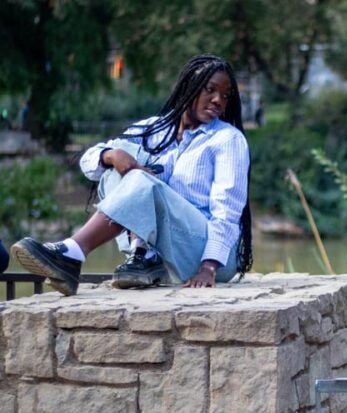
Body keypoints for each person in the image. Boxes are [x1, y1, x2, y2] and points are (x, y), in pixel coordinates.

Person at [11, 54, 252, 296]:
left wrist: (209, 267)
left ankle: (73, 252)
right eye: (210, 90)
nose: (218, 100)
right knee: (114, 172)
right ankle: (142, 254)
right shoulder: (155, 129)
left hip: (210, 255)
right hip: (168, 249)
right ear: (190, 87)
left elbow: (227, 213)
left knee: (139, 179)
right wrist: (111, 155)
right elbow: (89, 163)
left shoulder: (227, 139)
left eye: (225, 95)